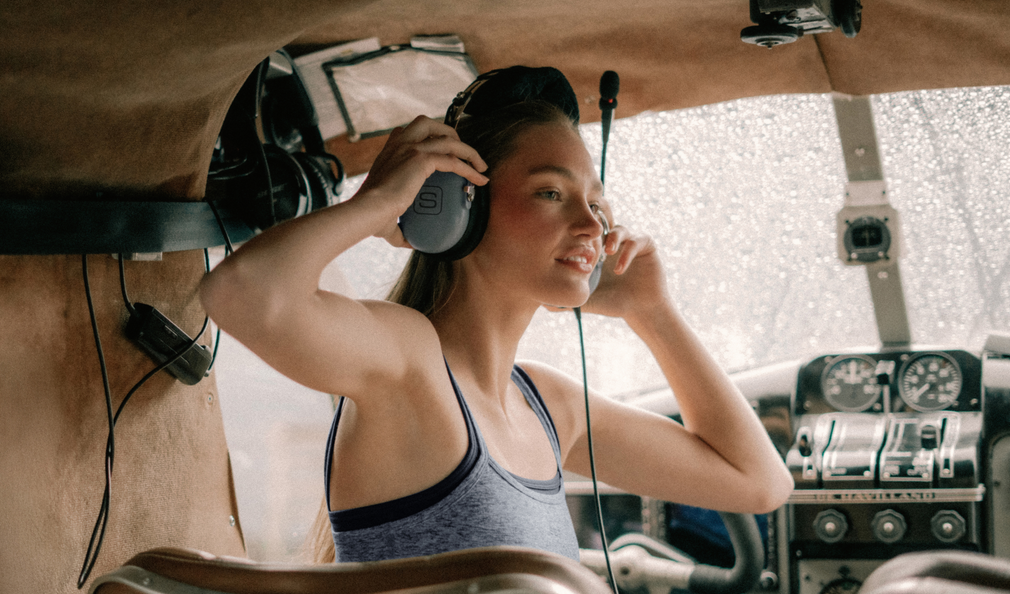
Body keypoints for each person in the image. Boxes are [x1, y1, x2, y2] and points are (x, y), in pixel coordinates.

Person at [200, 67, 793, 565]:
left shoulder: (546, 404)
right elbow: (241, 294)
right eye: (551, 193)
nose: (593, 226)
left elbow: (758, 483)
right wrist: (381, 204)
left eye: (597, 203)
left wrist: (652, 312)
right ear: (462, 207)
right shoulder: (411, 362)